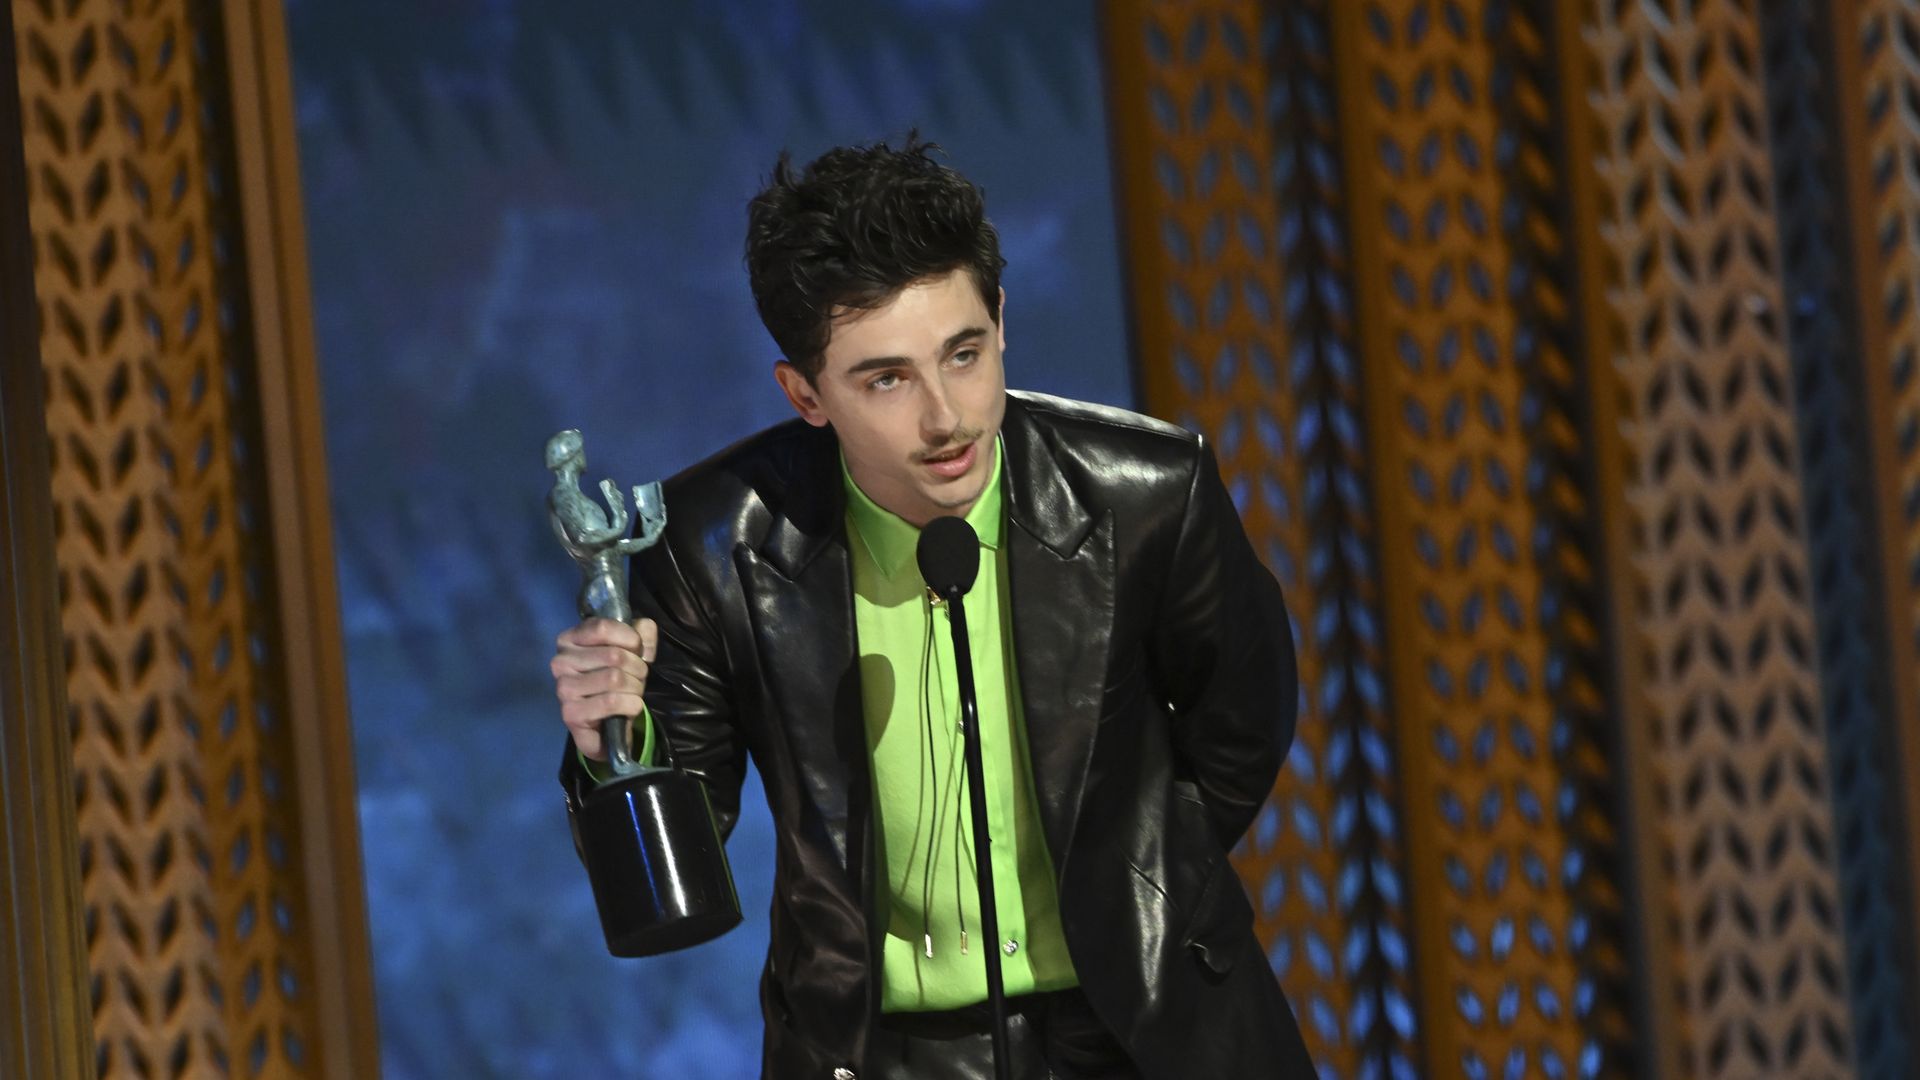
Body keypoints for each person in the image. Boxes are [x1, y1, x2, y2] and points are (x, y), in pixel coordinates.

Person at [550, 135, 1313, 1079]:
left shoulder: (1148, 494)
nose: (946, 416)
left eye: (964, 353)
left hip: (1146, 1027)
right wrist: (616, 748)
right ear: (805, 394)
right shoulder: (713, 547)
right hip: (881, 1052)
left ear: (1001, 322)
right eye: (887, 379)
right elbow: (684, 861)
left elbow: (1244, 724)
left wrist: (1134, 880)